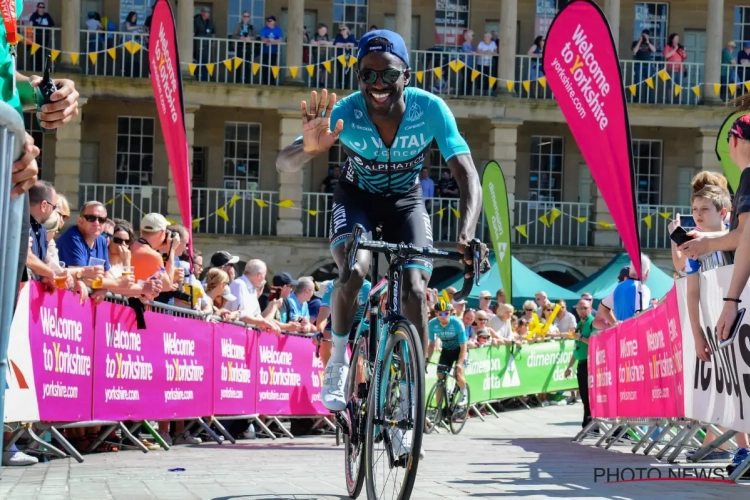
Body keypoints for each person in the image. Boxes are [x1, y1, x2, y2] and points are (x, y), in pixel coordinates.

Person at [276, 30, 487, 422]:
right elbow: (282, 163)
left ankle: (410, 390)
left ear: (406, 75)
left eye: (388, 75)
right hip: (356, 199)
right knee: (354, 271)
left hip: (406, 202)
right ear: (358, 76)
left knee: (415, 289)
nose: (378, 85)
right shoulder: (346, 111)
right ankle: (338, 361)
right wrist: (308, 149)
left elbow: (467, 175)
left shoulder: (430, 109)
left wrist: (467, 233)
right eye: (367, 75)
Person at [316, 278, 371, 366]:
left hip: (358, 320)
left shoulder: (366, 287)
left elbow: (369, 316)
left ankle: (359, 370)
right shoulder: (333, 285)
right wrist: (319, 332)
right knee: (325, 340)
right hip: (339, 317)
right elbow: (324, 313)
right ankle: (329, 370)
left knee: (360, 353)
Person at [426, 301, 468, 408]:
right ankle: (438, 409)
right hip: (446, 351)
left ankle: (464, 392)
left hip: (460, 350)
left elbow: (464, 346)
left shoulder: (457, 323)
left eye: (446, 313)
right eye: (441, 313)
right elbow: (431, 345)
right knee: (440, 378)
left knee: (457, 374)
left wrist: (459, 363)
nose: (443, 316)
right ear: (436, 313)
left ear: (450, 313)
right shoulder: (431, 324)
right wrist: (427, 360)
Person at [564, 299, 595, 430]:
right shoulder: (579, 324)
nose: (582, 311)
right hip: (581, 363)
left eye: (585, 308)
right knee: (584, 396)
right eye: (580, 308)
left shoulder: (593, 322)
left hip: (591, 363)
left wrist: (581, 338)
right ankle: (589, 425)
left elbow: (596, 343)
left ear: (590, 308)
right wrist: (569, 366)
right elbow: (577, 348)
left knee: (590, 396)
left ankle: (590, 425)